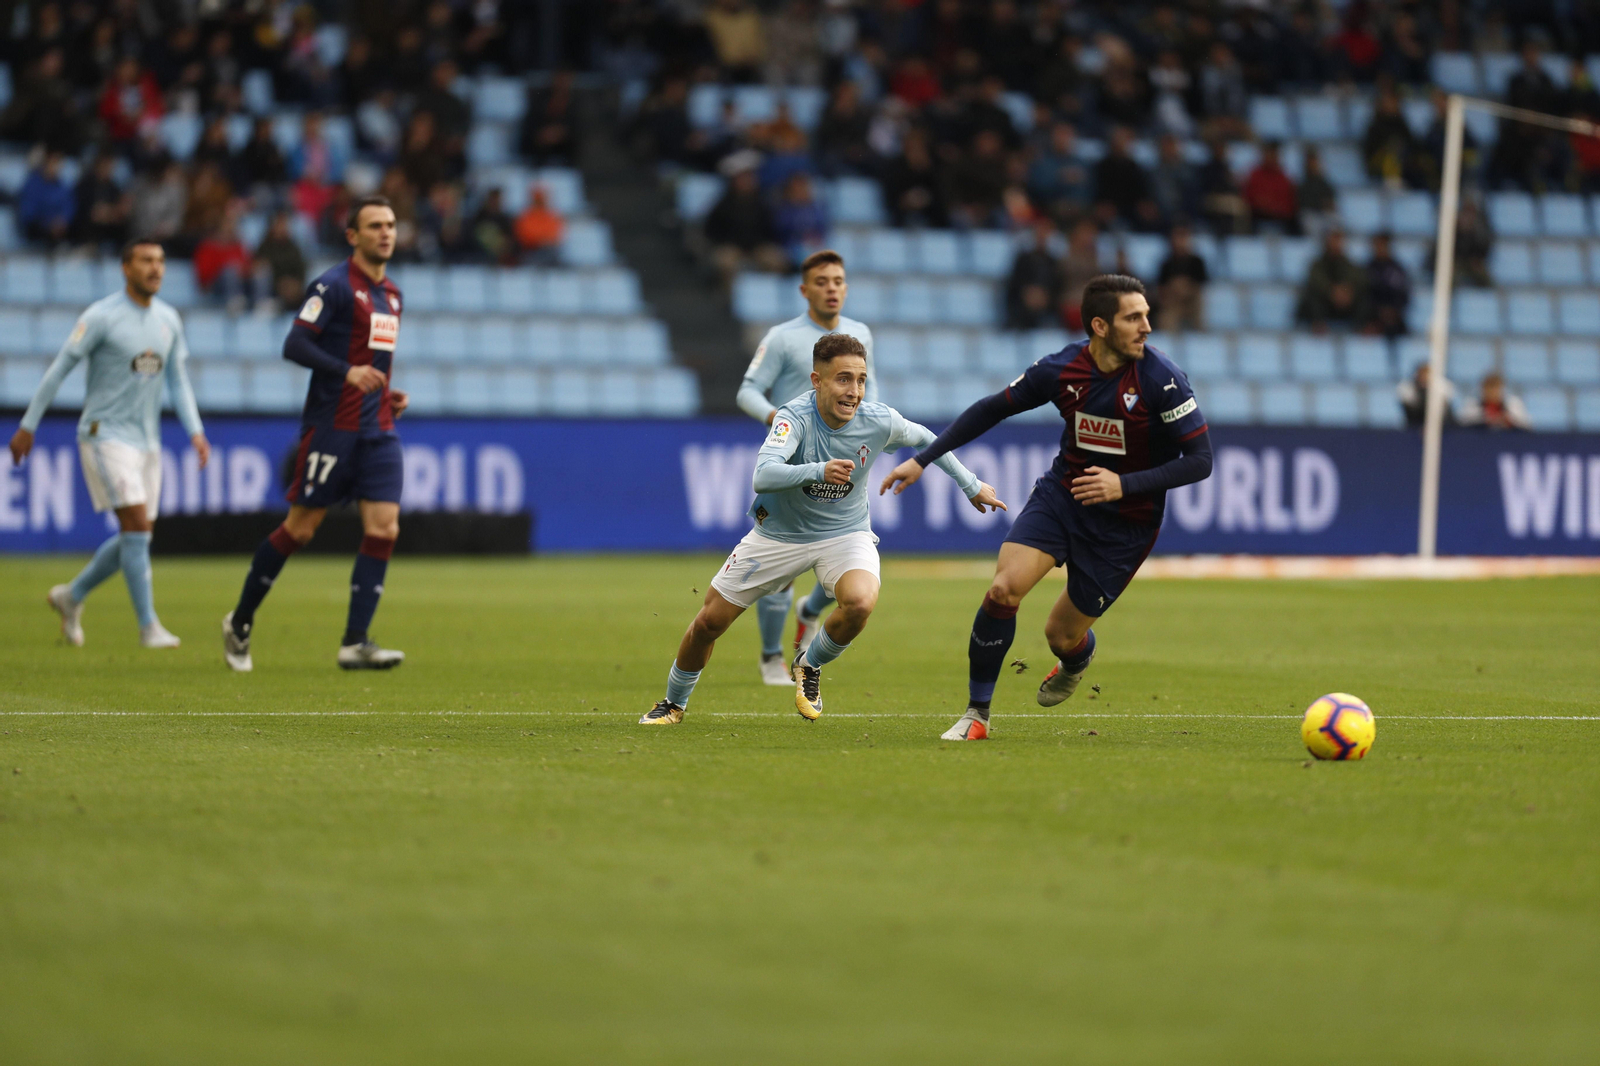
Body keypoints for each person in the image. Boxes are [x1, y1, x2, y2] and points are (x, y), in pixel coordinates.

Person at [881, 275, 1213, 741]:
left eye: (1146, 316)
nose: (1147, 327)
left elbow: (1201, 461)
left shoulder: (1164, 380)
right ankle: (978, 714)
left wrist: (1123, 484)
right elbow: (992, 408)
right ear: (1100, 325)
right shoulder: (1062, 369)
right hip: (1063, 497)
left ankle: (1075, 659)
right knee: (1002, 591)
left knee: (1060, 636)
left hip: (1126, 525)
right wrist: (922, 459)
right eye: (1133, 317)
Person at [643, 333, 1002, 725]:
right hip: (777, 536)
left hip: (844, 534)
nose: (855, 391)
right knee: (709, 623)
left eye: (861, 380)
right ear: (817, 381)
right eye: (843, 379)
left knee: (861, 603)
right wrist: (818, 470)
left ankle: (808, 663)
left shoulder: (879, 421)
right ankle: (673, 704)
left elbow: (928, 439)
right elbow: (763, 475)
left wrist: (971, 484)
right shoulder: (792, 418)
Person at [222, 197, 410, 673]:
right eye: (374, 226)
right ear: (353, 235)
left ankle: (355, 641)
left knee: (384, 526)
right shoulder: (332, 285)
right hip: (332, 428)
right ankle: (240, 621)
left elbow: (377, 362)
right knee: (301, 529)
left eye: (390, 225)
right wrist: (347, 373)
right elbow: (296, 343)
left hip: (378, 429)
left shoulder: (393, 295)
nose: (385, 233)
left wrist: (386, 395)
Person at [8, 239, 209, 649]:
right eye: (146, 261)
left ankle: (71, 596)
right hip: (104, 434)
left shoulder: (169, 319)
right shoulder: (101, 316)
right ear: (125, 267)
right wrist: (28, 424)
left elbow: (177, 380)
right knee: (135, 527)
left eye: (161, 261)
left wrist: (196, 430)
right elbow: (60, 367)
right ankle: (149, 626)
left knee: (137, 536)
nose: (155, 268)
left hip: (147, 441)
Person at [735, 250, 876, 684]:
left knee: (846, 546)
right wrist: (777, 419)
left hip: (843, 459)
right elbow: (747, 391)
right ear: (805, 289)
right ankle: (771, 657)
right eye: (821, 281)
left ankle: (811, 610)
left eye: (838, 280)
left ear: (846, 287)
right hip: (790, 459)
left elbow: (871, 395)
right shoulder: (782, 337)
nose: (831, 288)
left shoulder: (860, 335)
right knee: (778, 563)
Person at [1296, 228, 1369, 331]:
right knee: (1311, 296)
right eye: (1333, 241)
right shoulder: (1317, 264)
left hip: (1346, 304)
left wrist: (1345, 292)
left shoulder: (1349, 264)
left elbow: (1357, 280)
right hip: (1326, 303)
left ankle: (1362, 329)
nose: (1336, 244)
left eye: (1338, 241)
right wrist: (1332, 291)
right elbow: (1317, 281)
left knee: (1365, 299)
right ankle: (1318, 326)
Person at [1156, 224, 1208, 331]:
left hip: (1192, 301)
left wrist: (1186, 286)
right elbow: (1161, 287)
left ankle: (1201, 339)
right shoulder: (1166, 263)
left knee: (1200, 307)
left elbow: (1202, 283)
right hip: (1173, 302)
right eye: (1177, 237)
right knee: (1165, 319)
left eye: (1183, 237)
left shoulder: (1197, 261)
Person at [1243, 141, 1298, 233]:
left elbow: (1290, 202)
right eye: (1269, 154)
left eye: (1274, 155)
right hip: (1258, 216)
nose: (1272, 158)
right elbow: (1249, 197)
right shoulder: (1255, 175)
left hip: (1281, 218)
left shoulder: (1283, 177)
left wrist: (1276, 207)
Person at [1364, 231, 1411, 337]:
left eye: (1382, 245)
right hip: (1373, 316)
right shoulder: (1367, 269)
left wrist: (1392, 311)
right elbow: (1365, 295)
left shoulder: (1397, 269)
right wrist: (1379, 311)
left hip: (1394, 317)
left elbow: (1403, 295)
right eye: (1377, 245)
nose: (1380, 248)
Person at [1458, 371, 1528, 430]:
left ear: (1502, 389)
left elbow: (1527, 425)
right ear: (1483, 389)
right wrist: (1485, 419)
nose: (1492, 393)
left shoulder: (1513, 404)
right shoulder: (1472, 404)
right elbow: (1461, 422)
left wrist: (1508, 419)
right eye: (1489, 388)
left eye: (1496, 388)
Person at [1397, 362, 1456, 428]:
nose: (1424, 378)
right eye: (1422, 375)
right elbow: (1410, 409)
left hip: (1441, 424)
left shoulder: (1442, 387)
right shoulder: (1408, 388)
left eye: (1427, 375)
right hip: (1415, 422)